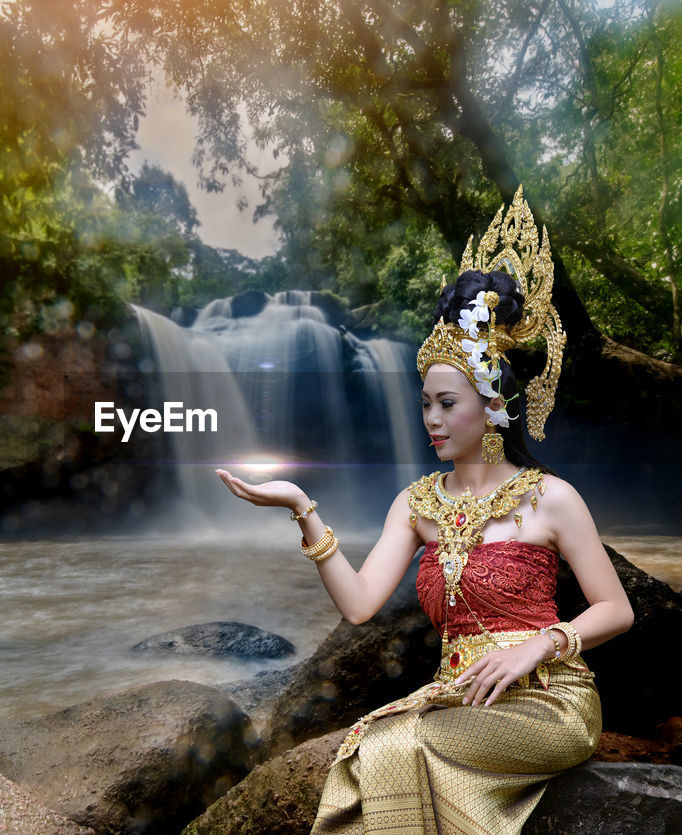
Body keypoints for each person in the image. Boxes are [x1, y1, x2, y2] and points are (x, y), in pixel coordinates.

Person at [216, 189, 634, 834]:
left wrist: (536, 649)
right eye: (424, 404)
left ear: (493, 406)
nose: (431, 420)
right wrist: (302, 508)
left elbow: (616, 609)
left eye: (447, 403)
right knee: (365, 751)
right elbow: (359, 606)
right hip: (456, 696)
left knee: (395, 749)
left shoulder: (550, 496)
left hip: (549, 699)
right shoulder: (418, 503)